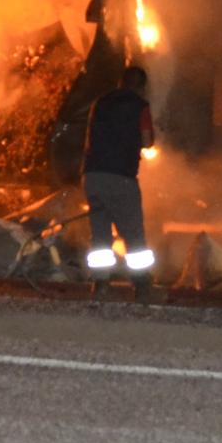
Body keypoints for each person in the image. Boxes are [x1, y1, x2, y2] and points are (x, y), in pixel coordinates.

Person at [82, 64, 158, 298]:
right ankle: (142, 287)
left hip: (93, 176)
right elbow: (147, 142)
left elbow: (89, 139)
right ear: (141, 87)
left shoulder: (101, 102)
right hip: (121, 178)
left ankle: (101, 285)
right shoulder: (140, 106)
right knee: (133, 233)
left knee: (100, 234)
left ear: (120, 82)